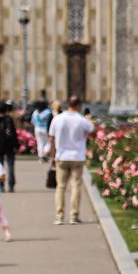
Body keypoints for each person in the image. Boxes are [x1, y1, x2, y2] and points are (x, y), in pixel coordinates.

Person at [48, 96, 97, 224]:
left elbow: (51, 138)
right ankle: (73, 216)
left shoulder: (57, 119)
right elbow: (93, 133)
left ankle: (59, 216)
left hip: (62, 156)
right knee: (75, 186)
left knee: (61, 187)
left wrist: (53, 157)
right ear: (79, 106)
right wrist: (90, 120)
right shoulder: (82, 120)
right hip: (77, 157)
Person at [0, 103, 20, 192]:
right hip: (9, 145)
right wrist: (16, 145)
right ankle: (11, 185)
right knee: (10, 165)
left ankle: (1, 185)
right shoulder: (9, 119)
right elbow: (13, 133)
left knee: (0, 166)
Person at [31, 100, 54, 166]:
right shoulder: (48, 112)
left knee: (40, 143)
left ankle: (40, 157)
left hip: (37, 128)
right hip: (45, 128)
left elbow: (32, 121)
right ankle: (45, 153)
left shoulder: (35, 112)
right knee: (48, 142)